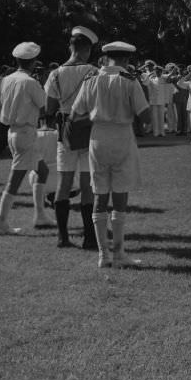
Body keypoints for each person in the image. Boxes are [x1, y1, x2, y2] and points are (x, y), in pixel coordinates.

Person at [70, 40, 151, 268]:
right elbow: (145, 116)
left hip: (97, 137)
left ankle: (102, 255)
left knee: (100, 195)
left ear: (107, 57)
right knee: (120, 196)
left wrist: (98, 115)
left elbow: (75, 116)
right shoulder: (128, 80)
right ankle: (119, 253)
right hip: (121, 136)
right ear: (126, 59)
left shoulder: (91, 79)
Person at [44, 26, 100, 249]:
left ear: (71, 47)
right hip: (88, 129)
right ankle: (89, 237)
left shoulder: (55, 73)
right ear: (86, 49)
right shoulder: (94, 72)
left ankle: (63, 237)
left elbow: (49, 108)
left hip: (65, 130)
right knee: (87, 185)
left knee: (64, 183)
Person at [0, 42, 55, 235]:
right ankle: (1, 223)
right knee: (15, 179)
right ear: (33, 61)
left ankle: (40, 215)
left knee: (42, 171)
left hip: (15, 131)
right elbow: (46, 107)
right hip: (25, 132)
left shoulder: (7, 79)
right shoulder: (29, 82)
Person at [142, 64, 169, 137]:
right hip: (153, 101)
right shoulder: (151, 79)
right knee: (155, 117)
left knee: (161, 117)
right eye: (156, 71)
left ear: (161, 72)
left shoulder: (164, 79)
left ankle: (162, 132)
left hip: (161, 100)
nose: (158, 73)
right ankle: (156, 132)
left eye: (159, 71)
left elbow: (169, 78)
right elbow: (145, 83)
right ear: (154, 72)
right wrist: (148, 75)